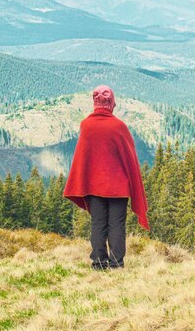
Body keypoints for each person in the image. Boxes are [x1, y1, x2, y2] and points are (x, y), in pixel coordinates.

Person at [63, 85, 150, 270]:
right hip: (118, 188)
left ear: (95, 102)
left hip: (94, 186)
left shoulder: (86, 125)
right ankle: (117, 264)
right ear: (111, 103)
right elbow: (130, 159)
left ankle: (99, 263)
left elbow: (83, 158)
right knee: (117, 225)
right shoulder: (119, 127)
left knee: (98, 223)